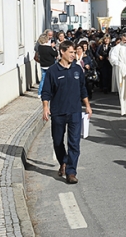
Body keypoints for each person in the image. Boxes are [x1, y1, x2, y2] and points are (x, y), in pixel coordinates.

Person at [41, 40, 92, 184]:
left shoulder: (77, 70)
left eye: (74, 52)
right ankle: (63, 161)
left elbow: (83, 89)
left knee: (74, 143)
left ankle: (71, 172)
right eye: (71, 52)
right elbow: (46, 92)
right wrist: (45, 107)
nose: (73, 55)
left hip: (75, 111)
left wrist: (87, 105)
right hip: (58, 112)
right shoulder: (52, 71)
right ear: (62, 52)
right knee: (57, 141)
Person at [37, 33, 58, 97]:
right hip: (50, 65)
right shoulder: (49, 48)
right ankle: (51, 91)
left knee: (43, 79)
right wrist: (53, 47)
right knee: (51, 79)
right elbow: (55, 54)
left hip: (43, 65)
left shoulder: (40, 47)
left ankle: (40, 93)